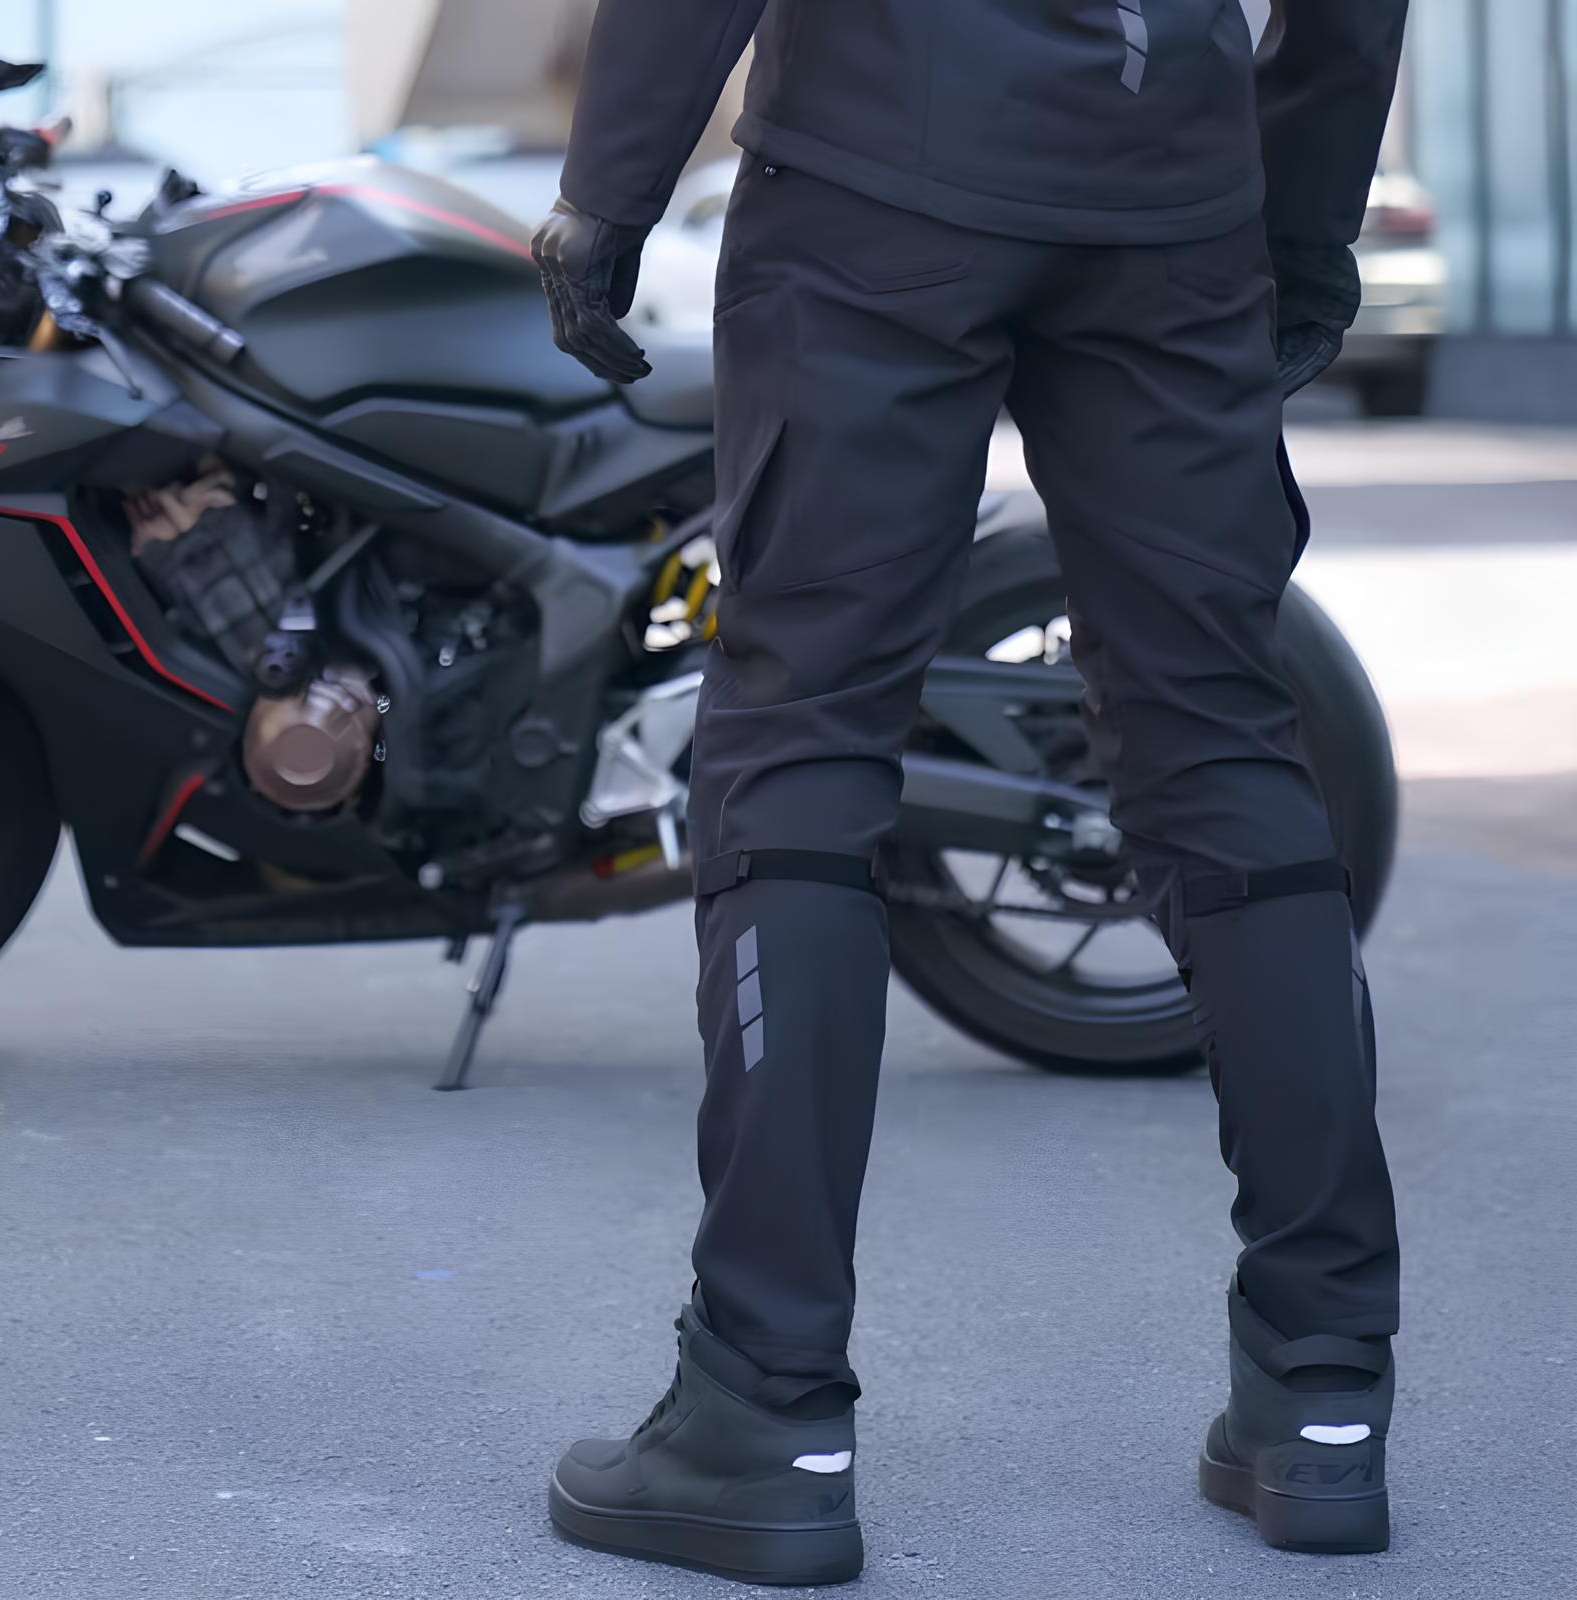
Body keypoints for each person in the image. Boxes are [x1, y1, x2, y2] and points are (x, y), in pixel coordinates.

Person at [532, 0, 1408, 1584]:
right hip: (1172, 185)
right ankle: (1325, 1391)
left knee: (802, 746)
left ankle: (764, 1412)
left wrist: (610, 185)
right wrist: (1300, 215)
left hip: (877, 170)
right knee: (1223, 747)